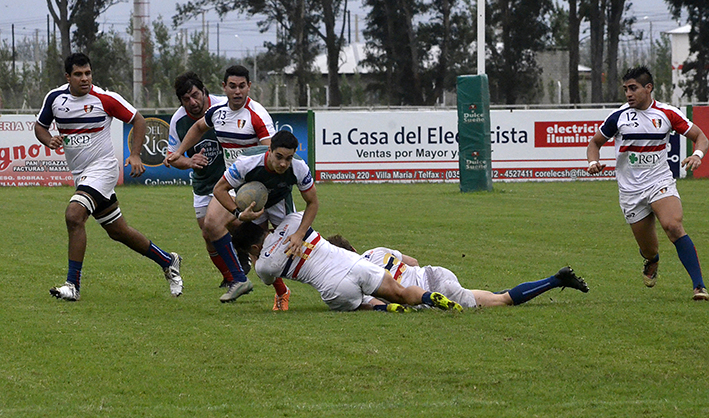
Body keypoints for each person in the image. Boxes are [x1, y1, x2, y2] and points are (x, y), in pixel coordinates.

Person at [35, 52, 182, 301]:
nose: (85, 79)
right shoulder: (55, 98)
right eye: (79, 74)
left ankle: (72, 285)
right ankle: (168, 260)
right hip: (82, 175)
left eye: (88, 73)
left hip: (103, 169)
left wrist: (135, 155)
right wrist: (49, 139)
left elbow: (138, 119)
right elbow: (40, 126)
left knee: (74, 215)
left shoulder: (104, 98)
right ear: (67, 76)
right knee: (118, 231)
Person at [164, 65, 289, 305]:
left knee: (284, 240)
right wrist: (180, 152)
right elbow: (199, 126)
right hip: (234, 184)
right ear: (224, 87)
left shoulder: (257, 115)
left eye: (242, 86)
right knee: (212, 226)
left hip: (261, 185)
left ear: (249, 87)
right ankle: (239, 278)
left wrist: (257, 181)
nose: (237, 91)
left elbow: (271, 154)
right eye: (232, 86)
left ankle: (336, 269)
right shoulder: (218, 112)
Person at [587, 65, 709, 301]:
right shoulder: (619, 117)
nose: (628, 94)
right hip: (630, 191)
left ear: (648, 88)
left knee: (673, 226)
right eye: (625, 89)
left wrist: (698, 155)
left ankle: (699, 287)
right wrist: (593, 162)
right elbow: (594, 143)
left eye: (633, 88)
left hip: (659, 181)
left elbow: (701, 138)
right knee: (649, 249)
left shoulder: (667, 114)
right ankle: (652, 261)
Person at [231, 212, 463, 312]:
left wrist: (257, 254)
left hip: (334, 285)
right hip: (357, 263)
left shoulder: (263, 266)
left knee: (360, 304)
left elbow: (267, 276)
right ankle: (426, 297)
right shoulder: (293, 221)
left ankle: (384, 308)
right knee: (400, 291)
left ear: (252, 248)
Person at [326, 235, 589, 308]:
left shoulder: (351, 274)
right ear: (353, 247)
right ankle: (554, 280)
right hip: (436, 274)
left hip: (426, 293)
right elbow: (414, 261)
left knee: (502, 301)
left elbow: (370, 303)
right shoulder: (376, 250)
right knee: (486, 298)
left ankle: (556, 280)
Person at [213, 130, 319, 309]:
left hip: (280, 202)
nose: (283, 163)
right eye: (279, 157)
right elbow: (219, 190)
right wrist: (238, 213)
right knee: (259, 253)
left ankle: (342, 259)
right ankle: (282, 292)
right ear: (269, 149)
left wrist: (300, 233)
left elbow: (313, 202)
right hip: (253, 206)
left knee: (296, 248)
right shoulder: (247, 163)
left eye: (289, 158)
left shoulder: (299, 167)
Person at [163, 72, 234, 287]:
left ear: (204, 91)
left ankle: (242, 266)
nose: (192, 102)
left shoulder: (223, 106)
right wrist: (189, 162)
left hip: (230, 180)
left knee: (237, 224)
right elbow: (172, 157)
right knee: (207, 235)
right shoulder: (178, 120)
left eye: (195, 95)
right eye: (186, 99)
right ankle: (230, 277)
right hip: (203, 183)